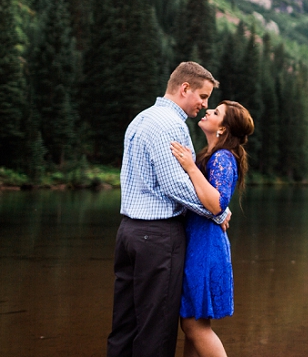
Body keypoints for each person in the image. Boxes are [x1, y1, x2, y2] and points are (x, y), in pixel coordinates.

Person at [107, 62, 230, 357]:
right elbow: (175, 185)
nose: (204, 105)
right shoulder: (170, 124)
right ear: (184, 88)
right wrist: (217, 212)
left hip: (128, 232)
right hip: (158, 237)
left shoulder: (141, 119)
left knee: (124, 324)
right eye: (203, 96)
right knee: (156, 328)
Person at [170, 100, 255, 357]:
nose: (208, 111)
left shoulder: (222, 158)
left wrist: (190, 167)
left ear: (223, 129)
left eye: (216, 112)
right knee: (193, 322)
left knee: (193, 324)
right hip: (199, 242)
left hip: (205, 246)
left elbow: (217, 203)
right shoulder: (211, 155)